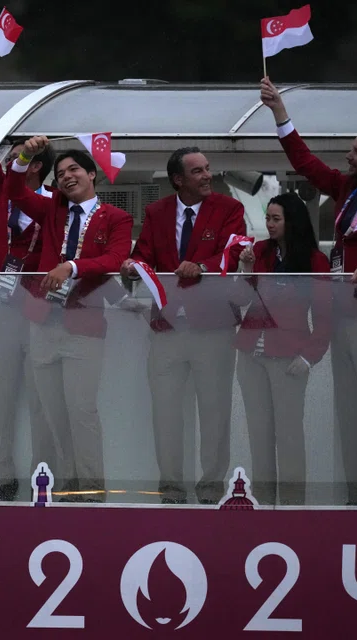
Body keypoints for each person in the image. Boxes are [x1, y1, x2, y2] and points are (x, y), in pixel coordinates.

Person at [260, 76, 357, 505]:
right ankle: (354, 495)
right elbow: (306, 164)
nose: (349, 155)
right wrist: (279, 113)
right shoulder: (348, 188)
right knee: (348, 412)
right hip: (343, 315)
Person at [7, 136, 133, 502]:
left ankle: (93, 492)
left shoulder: (116, 217)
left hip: (84, 328)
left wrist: (72, 265)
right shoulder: (52, 211)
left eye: (74, 169)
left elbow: (114, 258)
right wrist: (26, 155)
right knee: (52, 415)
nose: (66, 176)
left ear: (92, 174)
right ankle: (66, 488)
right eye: (60, 173)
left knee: (82, 412)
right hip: (43, 323)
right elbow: (15, 191)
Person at [119, 147, 246, 504]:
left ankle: (210, 489)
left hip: (213, 328)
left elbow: (234, 252)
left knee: (215, 411)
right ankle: (171, 487)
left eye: (208, 169)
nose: (207, 176)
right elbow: (145, 253)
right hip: (168, 328)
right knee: (166, 413)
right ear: (178, 179)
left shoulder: (229, 208)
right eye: (198, 172)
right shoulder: (156, 212)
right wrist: (133, 264)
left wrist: (202, 267)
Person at [0, 63, 56, 501]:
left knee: (40, 401)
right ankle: (1, 479)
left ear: (36, 165)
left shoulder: (57, 203)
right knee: (1, 400)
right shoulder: (3, 188)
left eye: (19, 154)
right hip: (0, 308)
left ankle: (45, 478)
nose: (8, 159)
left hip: (38, 311)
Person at [235, 192, 332, 505]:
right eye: (268, 218)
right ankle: (262, 503)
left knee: (288, 435)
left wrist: (309, 356)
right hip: (251, 354)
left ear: (293, 222)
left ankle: (292, 507)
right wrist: (244, 268)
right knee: (259, 435)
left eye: (276, 219)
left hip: (289, 356)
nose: (270, 224)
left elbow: (325, 315)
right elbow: (237, 299)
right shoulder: (260, 251)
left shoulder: (314, 260)